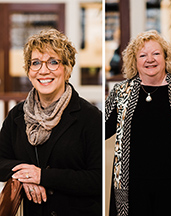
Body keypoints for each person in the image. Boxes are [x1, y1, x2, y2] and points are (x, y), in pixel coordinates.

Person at [0, 29, 102, 215]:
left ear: (67, 68)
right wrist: (27, 176)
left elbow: (97, 179)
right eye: (36, 63)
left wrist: (43, 177)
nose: (43, 70)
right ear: (29, 71)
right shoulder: (17, 115)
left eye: (53, 62)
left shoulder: (90, 117)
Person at [105, 30, 171, 216]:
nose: (150, 59)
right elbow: (99, 130)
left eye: (156, 53)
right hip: (131, 187)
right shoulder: (121, 92)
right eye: (143, 55)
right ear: (134, 61)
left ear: (165, 57)